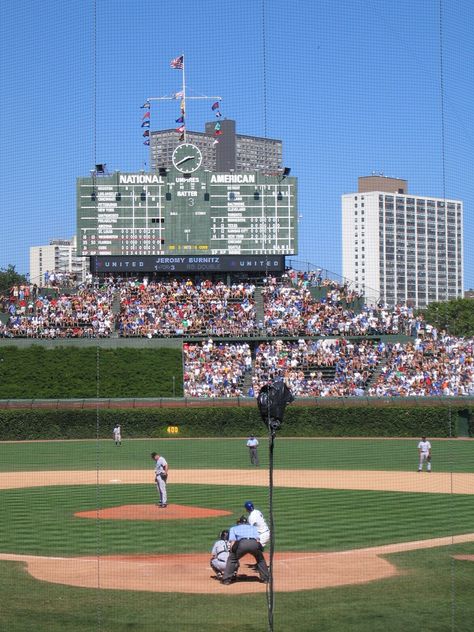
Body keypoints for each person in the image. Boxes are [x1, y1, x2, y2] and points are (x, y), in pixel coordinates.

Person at [221, 516, 269, 585]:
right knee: (260, 559)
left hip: (242, 544)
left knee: (232, 559)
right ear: (246, 522)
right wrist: (259, 550)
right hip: (253, 543)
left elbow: (233, 542)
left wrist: (232, 553)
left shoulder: (233, 528)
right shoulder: (253, 528)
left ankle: (226, 580)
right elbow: (258, 540)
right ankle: (266, 579)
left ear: (239, 523)